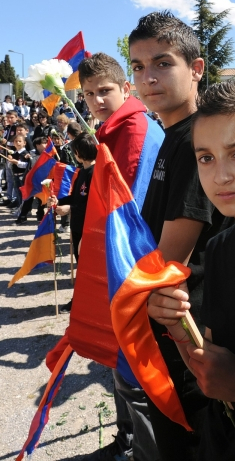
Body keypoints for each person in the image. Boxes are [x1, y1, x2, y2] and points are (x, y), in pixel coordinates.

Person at [149, 81, 235, 460]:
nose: (220, 175)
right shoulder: (220, 248)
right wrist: (177, 325)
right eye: (206, 158)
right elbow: (211, 352)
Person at [129, 10, 222, 461]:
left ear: (196, 69)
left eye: (163, 63)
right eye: (138, 67)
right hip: (176, 325)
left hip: (191, 329)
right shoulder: (171, 133)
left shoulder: (196, 139)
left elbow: (170, 259)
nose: (148, 77)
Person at [75, 51, 164, 461]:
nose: (96, 101)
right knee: (120, 367)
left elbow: (131, 212)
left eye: (105, 91)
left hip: (131, 269)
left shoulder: (135, 131)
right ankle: (126, 439)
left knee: (135, 375)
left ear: (126, 88)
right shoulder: (114, 129)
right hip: (118, 266)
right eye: (89, 93)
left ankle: (143, 451)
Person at [47, 133, 97, 311]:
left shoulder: (95, 173)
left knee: (86, 268)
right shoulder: (82, 171)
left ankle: (83, 302)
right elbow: (76, 197)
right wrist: (59, 202)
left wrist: (71, 209)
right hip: (77, 226)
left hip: (88, 229)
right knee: (80, 265)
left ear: (78, 152)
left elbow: (94, 204)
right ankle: (82, 300)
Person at [15, 136, 48, 225]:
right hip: (32, 180)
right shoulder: (32, 154)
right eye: (43, 143)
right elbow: (31, 165)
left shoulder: (47, 154)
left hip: (43, 180)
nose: (45, 145)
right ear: (37, 145)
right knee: (28, 199)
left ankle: (40, 215)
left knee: (41, 199)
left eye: (46, 143)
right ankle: (22, 216)